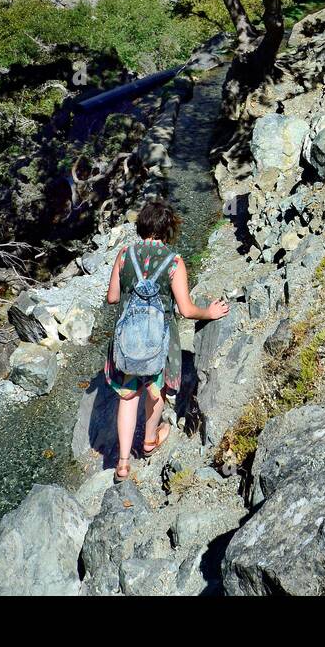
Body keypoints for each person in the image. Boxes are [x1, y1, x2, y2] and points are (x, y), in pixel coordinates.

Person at [105, 199, 229, 482]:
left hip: (127, 338)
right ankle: (149, 440)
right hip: (160, 339)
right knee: (155, 390)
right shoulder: (173, 261)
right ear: (168, 229)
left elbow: (112, 298)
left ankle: (123, 463)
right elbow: (185, 310)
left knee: (128, 394)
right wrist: (208, 312)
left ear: (141, 226)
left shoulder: (125, 254)